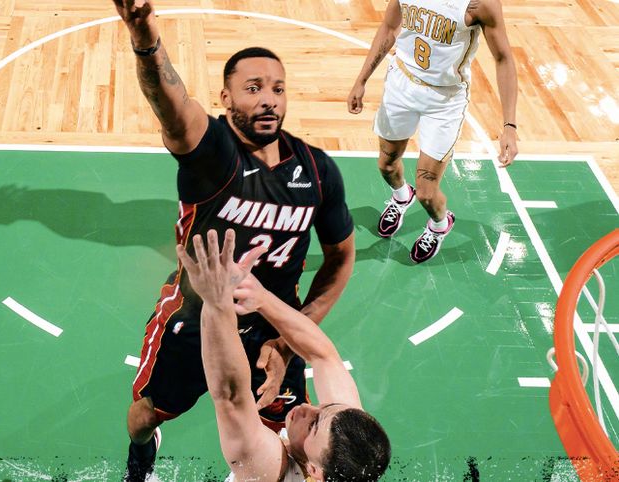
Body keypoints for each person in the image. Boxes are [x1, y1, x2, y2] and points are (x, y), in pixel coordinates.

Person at [111, 1, 356, 480]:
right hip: (196, 319)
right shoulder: (213, 153)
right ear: (225, 98)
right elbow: (171, 104)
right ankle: (142, 451)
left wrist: (289, 341)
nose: (270, 100)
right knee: (143, 418)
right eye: (254, 88)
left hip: (273, 331)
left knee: (297, 444)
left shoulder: (317, 171)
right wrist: (143, 35)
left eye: (278, 89)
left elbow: (341, 258)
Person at [176, 229, 391, 482]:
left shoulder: (270, 470)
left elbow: (231, 397)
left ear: (314, 472)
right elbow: (323, 355)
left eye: (312, 426)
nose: (307, 408)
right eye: (324, 409)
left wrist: (216, 302)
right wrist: (261, 298)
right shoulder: (347, 447)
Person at [348, 0, 518, 263]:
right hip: (401, 84)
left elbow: (503, 58)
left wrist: (509, 126)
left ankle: (440, 225)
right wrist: (361, 80)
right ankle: (401, 197)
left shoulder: (479, 4)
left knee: (427, 193)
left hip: (444, 101)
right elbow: (389, 28)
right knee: (386, 166)